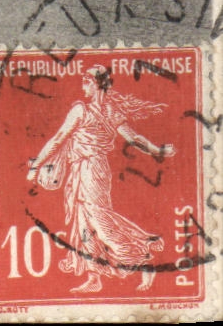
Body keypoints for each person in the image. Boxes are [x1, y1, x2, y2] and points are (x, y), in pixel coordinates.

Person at [28, 65, 174, 293]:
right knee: (84, 223)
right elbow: (134, 139)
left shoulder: (86, 110)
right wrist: (156, 150)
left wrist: (36, 166)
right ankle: (94, 277)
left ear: (96, 84)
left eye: (86, 82)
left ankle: (142, 257)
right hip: (84, 169)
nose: (83, 86)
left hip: (92, 170)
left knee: (99, 221)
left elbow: (58, 139)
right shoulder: (104, 111)